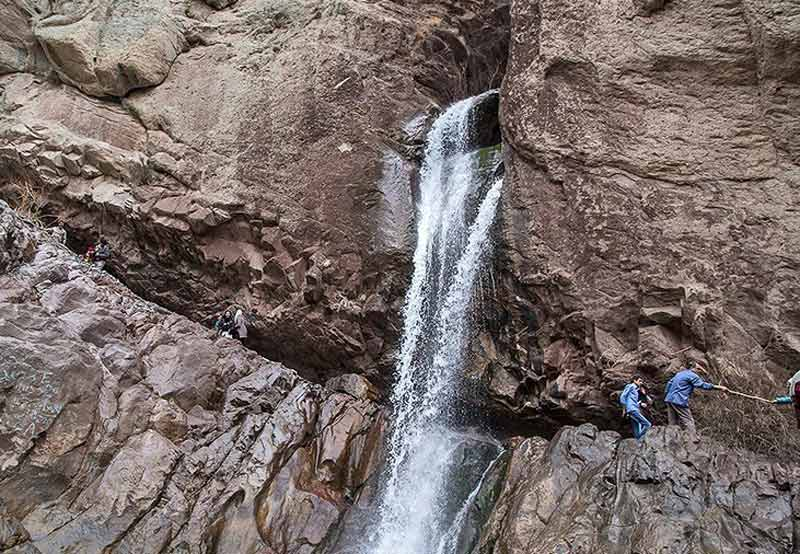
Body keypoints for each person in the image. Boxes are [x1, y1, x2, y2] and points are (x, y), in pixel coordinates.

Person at [664, 361, 728, 439]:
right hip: (679, 400)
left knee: (672, 421)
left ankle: (671, 439)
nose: (700, 372)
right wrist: (719, 387)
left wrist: (667, 394)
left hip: (669, 398)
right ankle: (693, 438)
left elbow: (669, 383)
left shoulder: (680, 373)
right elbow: (702, 385)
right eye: (700, 370)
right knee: (688, 420)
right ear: (697, 368)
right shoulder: (693, 375)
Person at [620, 377, 652, 441]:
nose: (641, 383)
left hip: (634, 409)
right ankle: (640, 439)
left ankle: (637, 441)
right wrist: (624, 409)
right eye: (639, 381)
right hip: (632, 409)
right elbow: (622, 397)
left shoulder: (636, 390)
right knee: (647, 424)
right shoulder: (630, 386)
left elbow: (632, 400)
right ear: (634, 380)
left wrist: (640, 403)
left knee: (637, 428)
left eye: (641, 381)